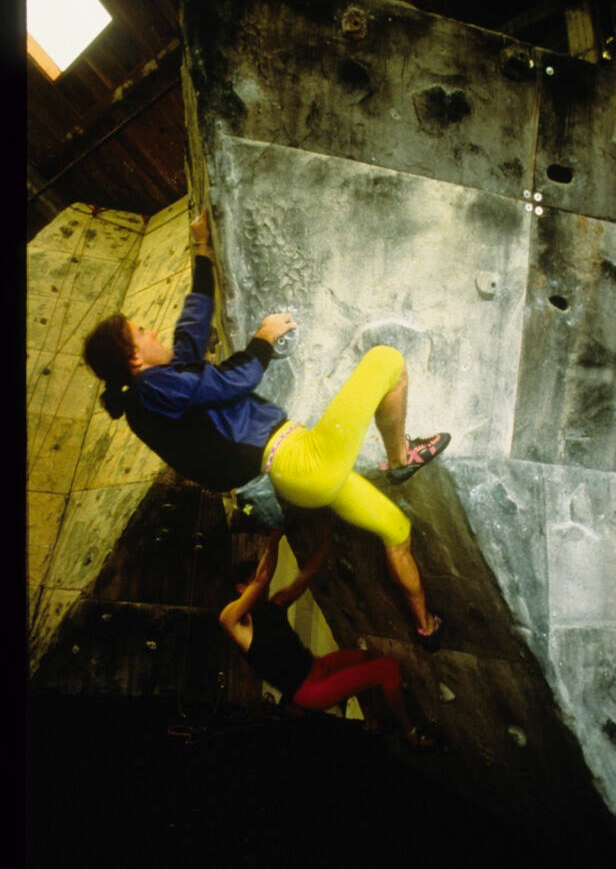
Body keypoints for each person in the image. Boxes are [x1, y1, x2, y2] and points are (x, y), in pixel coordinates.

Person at [83, 207, 450, 650]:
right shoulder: (152, 391)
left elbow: (190, 330)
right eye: (141, 331)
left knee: (396, 529)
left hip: (299, 478)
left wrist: (202, 248)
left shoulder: (154, 393)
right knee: (387, 360)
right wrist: (264, 337)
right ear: (134, 359)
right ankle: (400, 459)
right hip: (300, 459)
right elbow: (232, 381)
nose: (153, 331)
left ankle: (426, 626)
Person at [220, 529, 435, 749]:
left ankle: (372, 722)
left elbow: (306, 576)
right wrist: (274, 538)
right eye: (252, 581)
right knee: (388, 669)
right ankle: (411, 731)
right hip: (310, 690)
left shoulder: (274, 604)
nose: (260, 583)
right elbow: (262, 577)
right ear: (240, 588)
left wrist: (327, 542)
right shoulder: (231, 619)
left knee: (363, 657)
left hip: (317, 668)